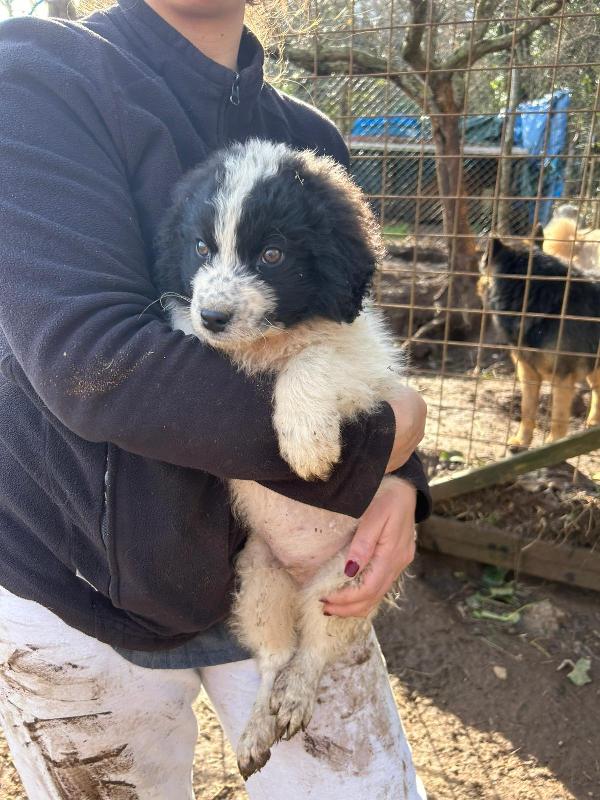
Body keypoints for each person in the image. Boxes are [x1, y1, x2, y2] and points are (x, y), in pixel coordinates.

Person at [0, 0, 430, 797]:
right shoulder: (34, 75)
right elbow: (92, 364)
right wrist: (383, 443)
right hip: (75, 594)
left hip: (296, 577)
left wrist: (405, 481)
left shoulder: (311, 140)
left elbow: (356, 330)